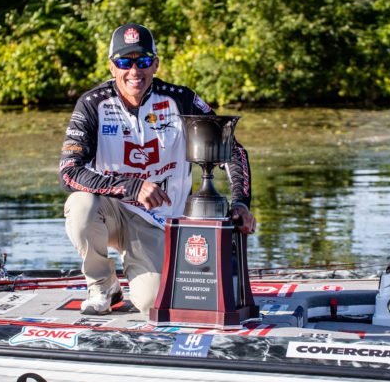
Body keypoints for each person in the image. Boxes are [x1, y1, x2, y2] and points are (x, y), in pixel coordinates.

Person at [59, 23, 256, 316]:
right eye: (124, 62)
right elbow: (68, 172)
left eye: (143, 61)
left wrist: (240, 202)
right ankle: (103, 285)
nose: (134, 71)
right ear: (112, 66)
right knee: (80, 205)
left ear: (156, 64)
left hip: (160, 220)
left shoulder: (181, 99)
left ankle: (142, 272)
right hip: (113, 210)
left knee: (152, 303)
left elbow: (233, 151)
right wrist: (133, 187)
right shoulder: (92, 104)